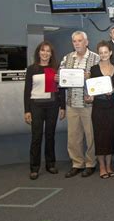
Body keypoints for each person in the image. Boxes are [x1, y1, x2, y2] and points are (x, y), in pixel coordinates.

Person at [59, 31, 100, 178]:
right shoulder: (67, 58)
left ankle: (90, 164)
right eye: (74, 41)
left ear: (86, 42)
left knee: (91, 136)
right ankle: (77, 163)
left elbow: (101, 80)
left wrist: (91, 77)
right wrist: (59, 78)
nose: (77, 44)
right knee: (73, 137)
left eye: (80, 41)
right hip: (72, 103)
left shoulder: (96, 58)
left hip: (88, 104)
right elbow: (60, 78)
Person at [24, 41, 66, 180]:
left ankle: (50, 164)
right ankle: (34, 167)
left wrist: (63, 106)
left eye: (48, 51)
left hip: (52, 106)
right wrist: (27, 110)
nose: (45, 53)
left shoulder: (55, 68)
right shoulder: (31, 69)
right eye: (43, 50)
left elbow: (61, 89)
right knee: (36, 137)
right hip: (36, 106)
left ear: (51, 54)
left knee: (50, 136)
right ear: (38, 52)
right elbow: (27, 91)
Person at [87, 41, 114, 179]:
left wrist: (113, 90)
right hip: (98, 107)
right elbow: (89, 90)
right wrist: (89, 96)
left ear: (110, 53)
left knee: (110, 135)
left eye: (106, 52)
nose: (103, 55)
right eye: (101, 53)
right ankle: (102, 166)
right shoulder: (93, 69)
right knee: (99, 136)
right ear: (98, 54)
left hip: (111, 106)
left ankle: (109, 165)